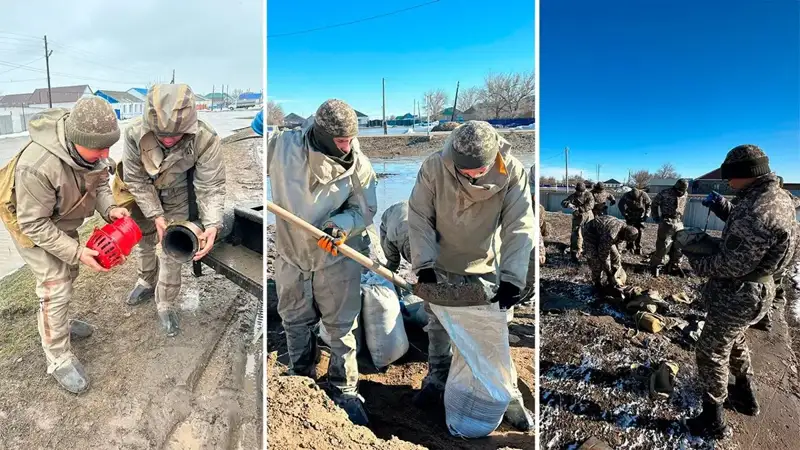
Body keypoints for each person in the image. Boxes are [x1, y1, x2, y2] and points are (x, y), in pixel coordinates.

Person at [408, 120, 535, 431]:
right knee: (438, 326)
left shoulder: (513, 172)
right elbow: (419, 215)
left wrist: (512, 278)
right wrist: (424, 266)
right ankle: (437, 378)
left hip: (487, 266)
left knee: (493, 332)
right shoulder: (434, 168)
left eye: (477, 172)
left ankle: (507, 392)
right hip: (441, 264)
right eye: (464, 172)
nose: (471, 177)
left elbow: (520, 226)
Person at [0, 97, 130, 393]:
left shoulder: (93, 153)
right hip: (30, 222)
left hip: (61, 217)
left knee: (70, 273)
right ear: (76, 140)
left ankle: (60, 322)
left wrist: (110, 209)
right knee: (56, 284)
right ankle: (58, 358)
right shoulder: (38, 166)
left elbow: (98, 185)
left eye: (109, 147)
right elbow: (33, 224)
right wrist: (76, 251)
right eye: (100, 148)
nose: (106, 154)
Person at [268, 99, 377, 426]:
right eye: (341, 141)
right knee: (294, 317)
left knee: (341, 325)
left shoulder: (359, 166)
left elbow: (365, 210)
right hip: (291, 252)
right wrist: (256, 129)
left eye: (350, 140)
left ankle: (344, 388)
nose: (348, 147)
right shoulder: (283, 147)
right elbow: (253, 152)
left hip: (336, 254)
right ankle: (301, 375)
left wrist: (340, 225)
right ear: (324, 136)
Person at [684, 145, 798, 438]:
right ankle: (746, 395)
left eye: (729, 176)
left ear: (746, 174)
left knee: (710, 352)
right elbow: (752, 234)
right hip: (759, 290)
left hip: (739, 292)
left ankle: (713, 420)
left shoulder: (756, 210)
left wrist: (696, 259)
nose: (726, 181)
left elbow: (732, 263)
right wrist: (724, 207)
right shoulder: (778, 197)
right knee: (734, 339)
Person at [121, 84, 226, 337]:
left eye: (176, 135)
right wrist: (155, 215)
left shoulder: (205, 138)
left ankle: (165, 302)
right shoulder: (134, 133)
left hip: (178, 194)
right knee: (144, 240)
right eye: (161, 134)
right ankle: (146, 280)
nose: (168, 140)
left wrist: (212, 224)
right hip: (142, 192)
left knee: (173, 250)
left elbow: (210, 185)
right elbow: (135, 179)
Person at [582, 215, 639, 290]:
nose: (624, 240)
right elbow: (603, 255)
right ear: (624, 233)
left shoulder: (624, 228)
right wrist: (609, 273)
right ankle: (597, 282)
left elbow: (619, 249)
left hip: (603, 232)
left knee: (616, 255)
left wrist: (617, 268)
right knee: (595, 260)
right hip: (590, 233)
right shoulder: (611, 234)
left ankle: (616, 275)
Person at [649, 179, 689, 275]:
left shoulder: (685, 194)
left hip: (678, 222)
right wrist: (656, 217)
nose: (681, 192)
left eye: (683, 190)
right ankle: (656, 265)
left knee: (679, 245)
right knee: (663, 246)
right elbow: (654, 204)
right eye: (679, 190)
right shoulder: (665, 193)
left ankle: (674, 265)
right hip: (666, 221)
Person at [561, 182, 595, 261]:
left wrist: (579, 209)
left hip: (588, 217)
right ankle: (575, 254)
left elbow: (591, 205)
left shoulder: (589, 195)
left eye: (581, 191)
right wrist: (568, 204)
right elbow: (563, 202)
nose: (580, 193)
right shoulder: (573, 196)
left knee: (589, 235)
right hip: (577, 218)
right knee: (576, 235)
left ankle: (589, 253)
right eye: (578, 191)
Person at [618, 186, 652, 254]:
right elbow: (620, 204)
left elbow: (649, 205)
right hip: (630, 214)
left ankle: (638, 246)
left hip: (640, 215)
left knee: (639, 231)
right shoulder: (626, 195)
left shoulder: (644, 194)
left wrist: (647, 215)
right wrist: (624, 214)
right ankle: (629, 246)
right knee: (629, 231)